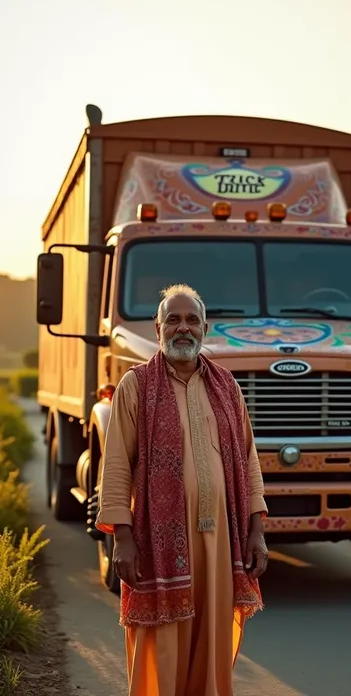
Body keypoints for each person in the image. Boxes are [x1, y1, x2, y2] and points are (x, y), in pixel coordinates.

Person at [96, 283, 268, 696]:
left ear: (205, 329)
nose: (183, 328)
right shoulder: (136, 386)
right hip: (157, 541)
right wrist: (123, 538)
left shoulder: (226, 387)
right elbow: (116, 464)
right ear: (158, 329)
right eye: (173, 319)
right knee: (163, 640)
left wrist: (256, 530)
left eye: (192, 320)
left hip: (219, 540)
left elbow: (248, 459)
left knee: (211, 634)